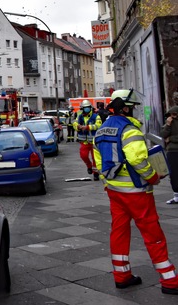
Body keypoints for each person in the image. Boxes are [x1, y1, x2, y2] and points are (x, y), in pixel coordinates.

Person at [94, 89, 178, 294]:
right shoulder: (131, 131)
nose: (134, 111)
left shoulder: (102, 130)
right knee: (153, 234)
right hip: (137, 192)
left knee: (119, 232)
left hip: (114, 190)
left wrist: (107, 182)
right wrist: (153, 177)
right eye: (132, 107)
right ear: (125, 108)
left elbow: (99, 161)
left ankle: (122, 276)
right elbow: (138, 160)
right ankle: (170, 281)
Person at [74, 99, 102, 180]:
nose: (87, 109)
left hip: (94, 142)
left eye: (88, 107)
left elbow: (98, 125)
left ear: (91, 108)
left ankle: (96, 173)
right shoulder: (80, 116)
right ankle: (89, 166)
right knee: (84, 156)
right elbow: (74, 123)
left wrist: (87, 127)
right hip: (84, 141)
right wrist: (77, 126)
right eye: (85, 108)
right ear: (82, 108)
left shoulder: (96, 116)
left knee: (95, 158)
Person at [162, 106, 178, 205]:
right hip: (172, 151)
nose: (172, 117)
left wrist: (171, 139)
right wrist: (168, 124)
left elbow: (168, 138)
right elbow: (163, 134)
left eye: (174, 114)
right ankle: (176, 196)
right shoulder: (169, 123)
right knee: (174, 174)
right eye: (171, 115)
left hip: (174, 149)